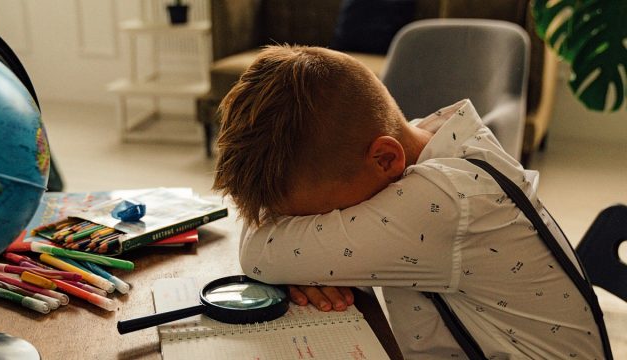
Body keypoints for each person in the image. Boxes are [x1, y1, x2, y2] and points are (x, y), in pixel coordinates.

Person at [212, 45, 605, 359]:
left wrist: (295, 256)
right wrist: (303, 255)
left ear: (385, 159)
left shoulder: (442, 203)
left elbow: (260, 252)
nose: (318, 224)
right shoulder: (423, 140)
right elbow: (275, 247)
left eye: (320, 217)